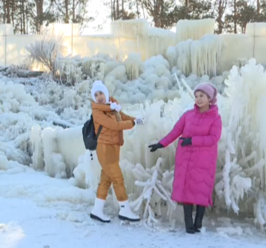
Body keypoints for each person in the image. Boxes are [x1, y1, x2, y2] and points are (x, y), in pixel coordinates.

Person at [148, 82, 222, 234]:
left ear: (210, 98)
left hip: (204, 161)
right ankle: (189, 225)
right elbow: (176, 131)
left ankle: (198, 223)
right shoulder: (188, 115)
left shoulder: (215, 118)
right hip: (186, 159)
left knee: (201, 190)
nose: (198, 99)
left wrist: (193, 140)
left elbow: (214, 138)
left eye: (202, 96)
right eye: (196, 96)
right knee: (186, 190)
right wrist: (161, 144)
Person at [89, 80, 141, 223]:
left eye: (101, 93)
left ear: (106, 93)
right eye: (96, 95)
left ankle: (97, 210)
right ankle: (124, 209)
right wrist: (132, 124)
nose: (99, 96)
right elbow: (114, 125)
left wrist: (136, 119)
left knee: (106, 179)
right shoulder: (97, 111)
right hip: (104, 148)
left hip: (114, 146)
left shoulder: (112, 107)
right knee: (117, 178)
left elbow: (122, 117)